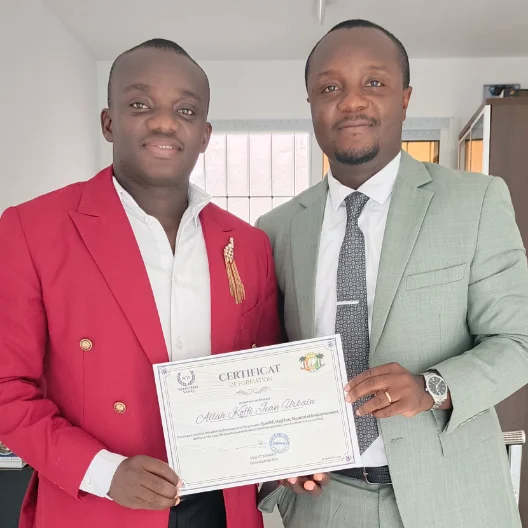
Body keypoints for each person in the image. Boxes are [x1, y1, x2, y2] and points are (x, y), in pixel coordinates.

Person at [256, 19, 528, 528]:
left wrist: (432, 387)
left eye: (374, 82)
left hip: (455, 500)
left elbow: (519, 342)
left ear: (404, 99)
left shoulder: (474, 202)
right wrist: (281, 453)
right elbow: (270, 364)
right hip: (324, 505)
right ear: (311, 105)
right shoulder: (275, 229)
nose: (352, 102)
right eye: (330, 88)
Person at [0, 39, 281, 528]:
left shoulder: (249, 244)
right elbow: (7, 389)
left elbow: (267, 375)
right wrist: (104, 473)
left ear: (205, 134)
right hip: (97, 507)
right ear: (109, 122)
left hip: (224, 508)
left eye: (185, 110)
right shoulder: (32, 230)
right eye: (140, 105)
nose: (164, 123)